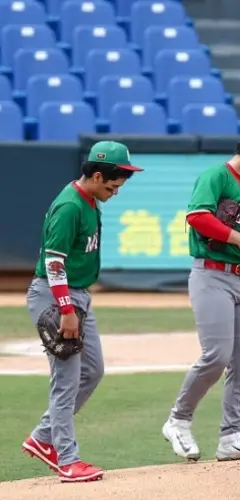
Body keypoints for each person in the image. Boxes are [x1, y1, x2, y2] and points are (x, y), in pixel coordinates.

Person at [162, 125, 240, 462]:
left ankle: (231, 436)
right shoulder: (216, 175)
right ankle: (178, 420)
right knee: (216, 355)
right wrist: (238, 239)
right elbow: (197, 216)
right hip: (212, 275)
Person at [21, 141, 143, 482]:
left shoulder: (89, 201)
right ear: (98, 174)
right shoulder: (70, 206)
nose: (116, 191)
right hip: (56, 296)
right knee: (66, 379)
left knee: (93, 370)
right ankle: (68, 460)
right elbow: (54, 261)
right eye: (113, 184)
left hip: (76, 295)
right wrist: (66, 310)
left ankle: (43, 438)